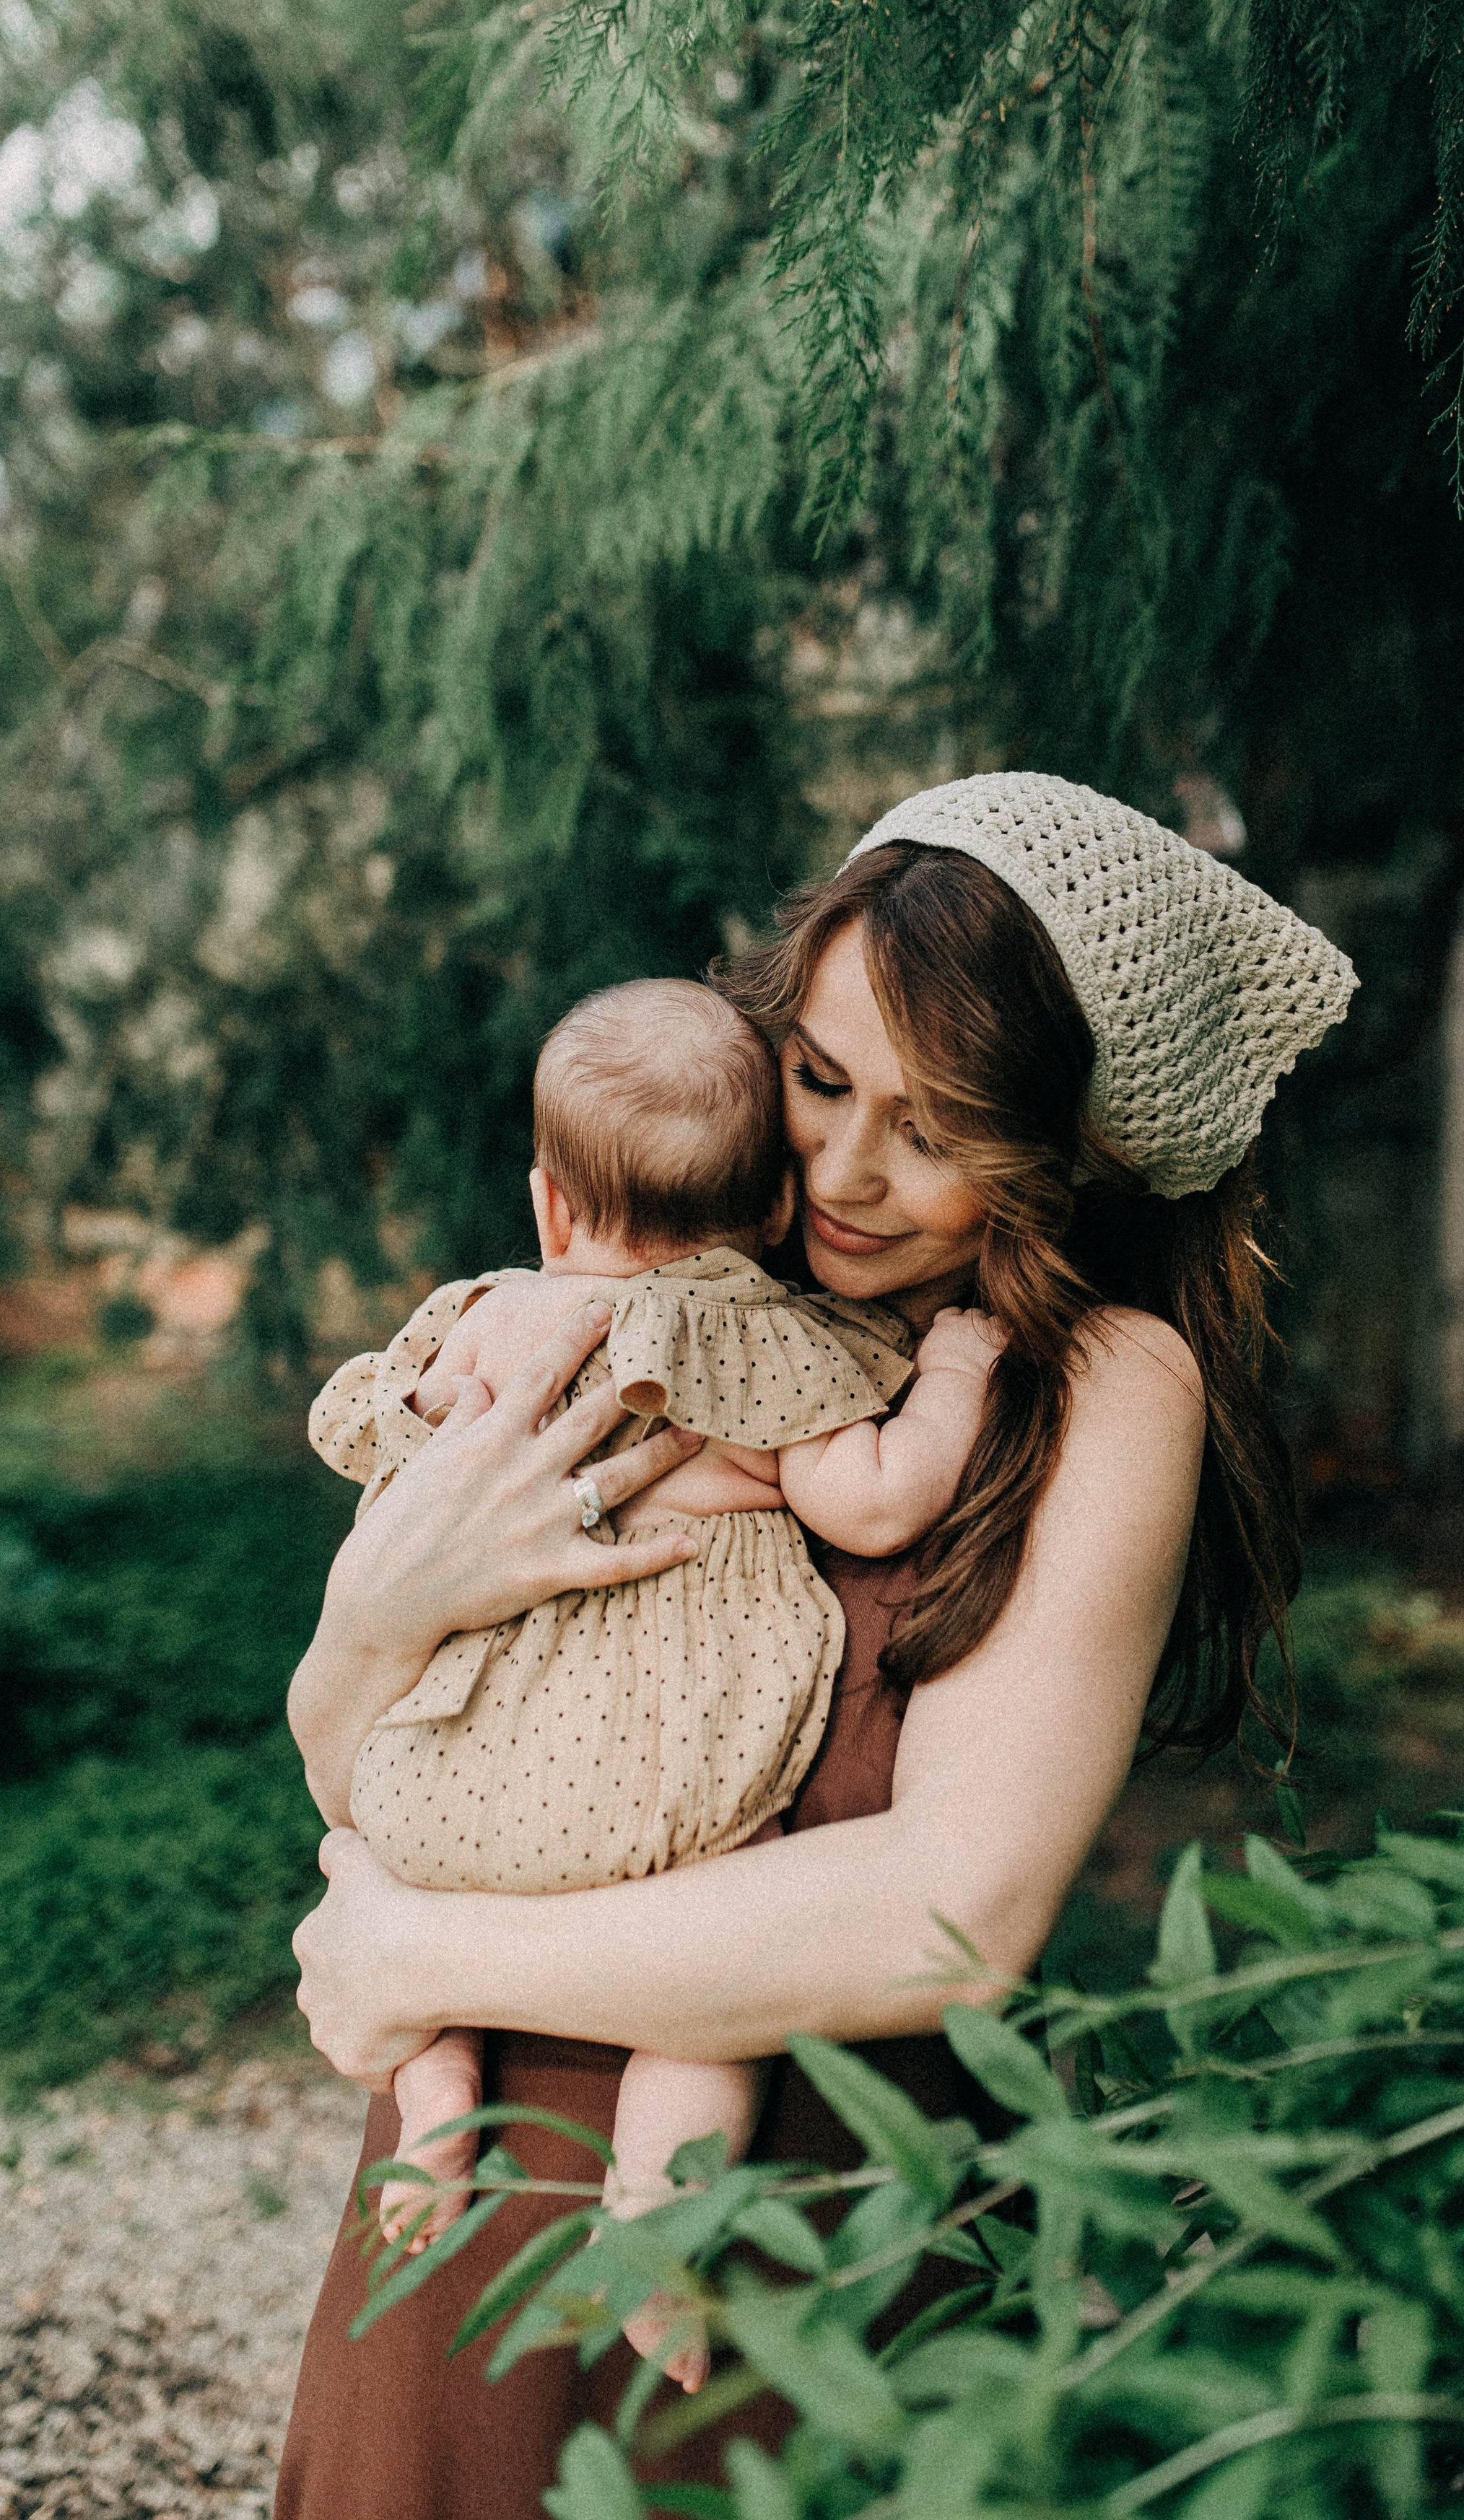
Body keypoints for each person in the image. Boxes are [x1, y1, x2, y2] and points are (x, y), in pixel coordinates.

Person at [279, 771, 1356, 2519]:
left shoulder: (1088, 1386)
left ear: (1065, 1142)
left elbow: (946, 1919)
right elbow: (374, 1763)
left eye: (932, 1131)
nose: (843, 1173)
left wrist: (425, 1957)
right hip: (465, 2226)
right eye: (823, 1078)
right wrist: (373, 1615)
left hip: (792, 2247)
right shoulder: (670, 1286)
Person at [304, 976, 997, 2381]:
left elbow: (384, 1462)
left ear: (551, 1205)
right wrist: (961, 1374)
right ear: (762, 1213)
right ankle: (659, 2234)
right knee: (702, 1998)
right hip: (657, 1773)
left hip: (456, 1781)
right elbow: (872, 1503)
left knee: (421, 1929)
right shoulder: (751, 1342)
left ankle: (431, 2099)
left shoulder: (475, 1323)